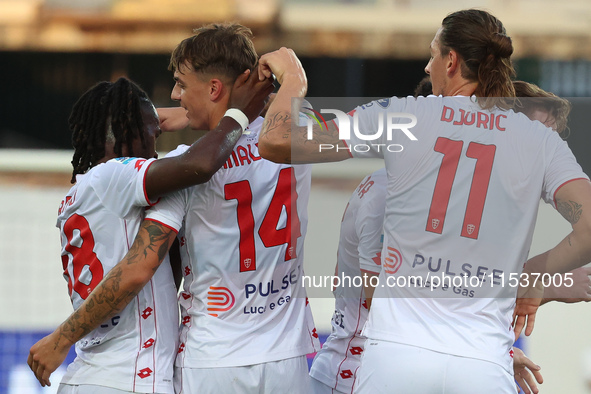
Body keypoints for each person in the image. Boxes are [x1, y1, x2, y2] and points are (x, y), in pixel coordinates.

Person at [257, 9, 591, 393]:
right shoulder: (540, 140)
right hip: (482, 365)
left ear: (451, 61)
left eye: (433, 55)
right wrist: (533, 278)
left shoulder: (402, 114)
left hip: (396, 360)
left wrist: (293, 83)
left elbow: (278, 142)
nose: (427, 66)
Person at [29, 23, 318, 394]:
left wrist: (61, 338)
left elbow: (142, 264)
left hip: (209, 358)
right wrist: (288, 81)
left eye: (181, 84)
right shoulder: (304, 135)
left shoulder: (182, 167)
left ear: (213, 88)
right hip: (287, 357)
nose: (174, 95)